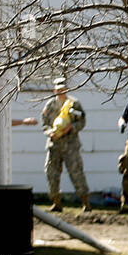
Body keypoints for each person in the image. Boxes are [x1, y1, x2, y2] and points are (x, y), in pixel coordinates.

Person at [41, 77, 90, 212]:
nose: (60, 92)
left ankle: (85, 202)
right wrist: (50, 132)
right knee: (51, 173)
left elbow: (82, 121)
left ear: (66, 90)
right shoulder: (49, 105)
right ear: (54, 90)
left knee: (76, 172)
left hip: (71, 145)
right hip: (54, 145)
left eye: (63, 90)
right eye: (58, 90)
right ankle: (56, 202)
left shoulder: (74, 104)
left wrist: (71, 128)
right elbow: (44, 124)